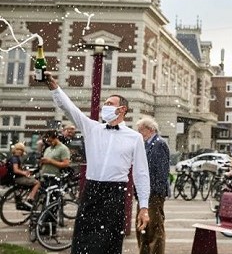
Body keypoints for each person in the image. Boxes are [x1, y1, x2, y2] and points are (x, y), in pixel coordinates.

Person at [40, 71, 150, 254]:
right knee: (83, 242)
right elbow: (69, 108)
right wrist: (54, 86)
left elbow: (141, 173)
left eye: (109, 104)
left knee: (109, 244)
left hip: (115, 193)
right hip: (91, 190)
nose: (104, 107)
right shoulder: (92, 128)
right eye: (105, 103)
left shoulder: (134, 137)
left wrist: (144, 207)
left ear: (122, 109)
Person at [136, 116, 170, 254]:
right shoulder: (147, 144)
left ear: (150, 130)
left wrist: (154, 192)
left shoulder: (159, 144)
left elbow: (162, 172)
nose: (139, 133)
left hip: (153, 193)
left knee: (155, 228)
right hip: (146, 193)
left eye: (141, 130)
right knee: (143, 226)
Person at [7, 142, 40, 209]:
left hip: (13, 178)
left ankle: (28, 198)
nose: (20, 152)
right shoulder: (15, 159)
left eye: (21, 150)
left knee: (31, 179)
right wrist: (24, 173)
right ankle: (30, 199)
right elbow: (15, 170)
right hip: (17, 179)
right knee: (37, 183)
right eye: (19, 150)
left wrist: (24, 172)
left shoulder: (12, 158)